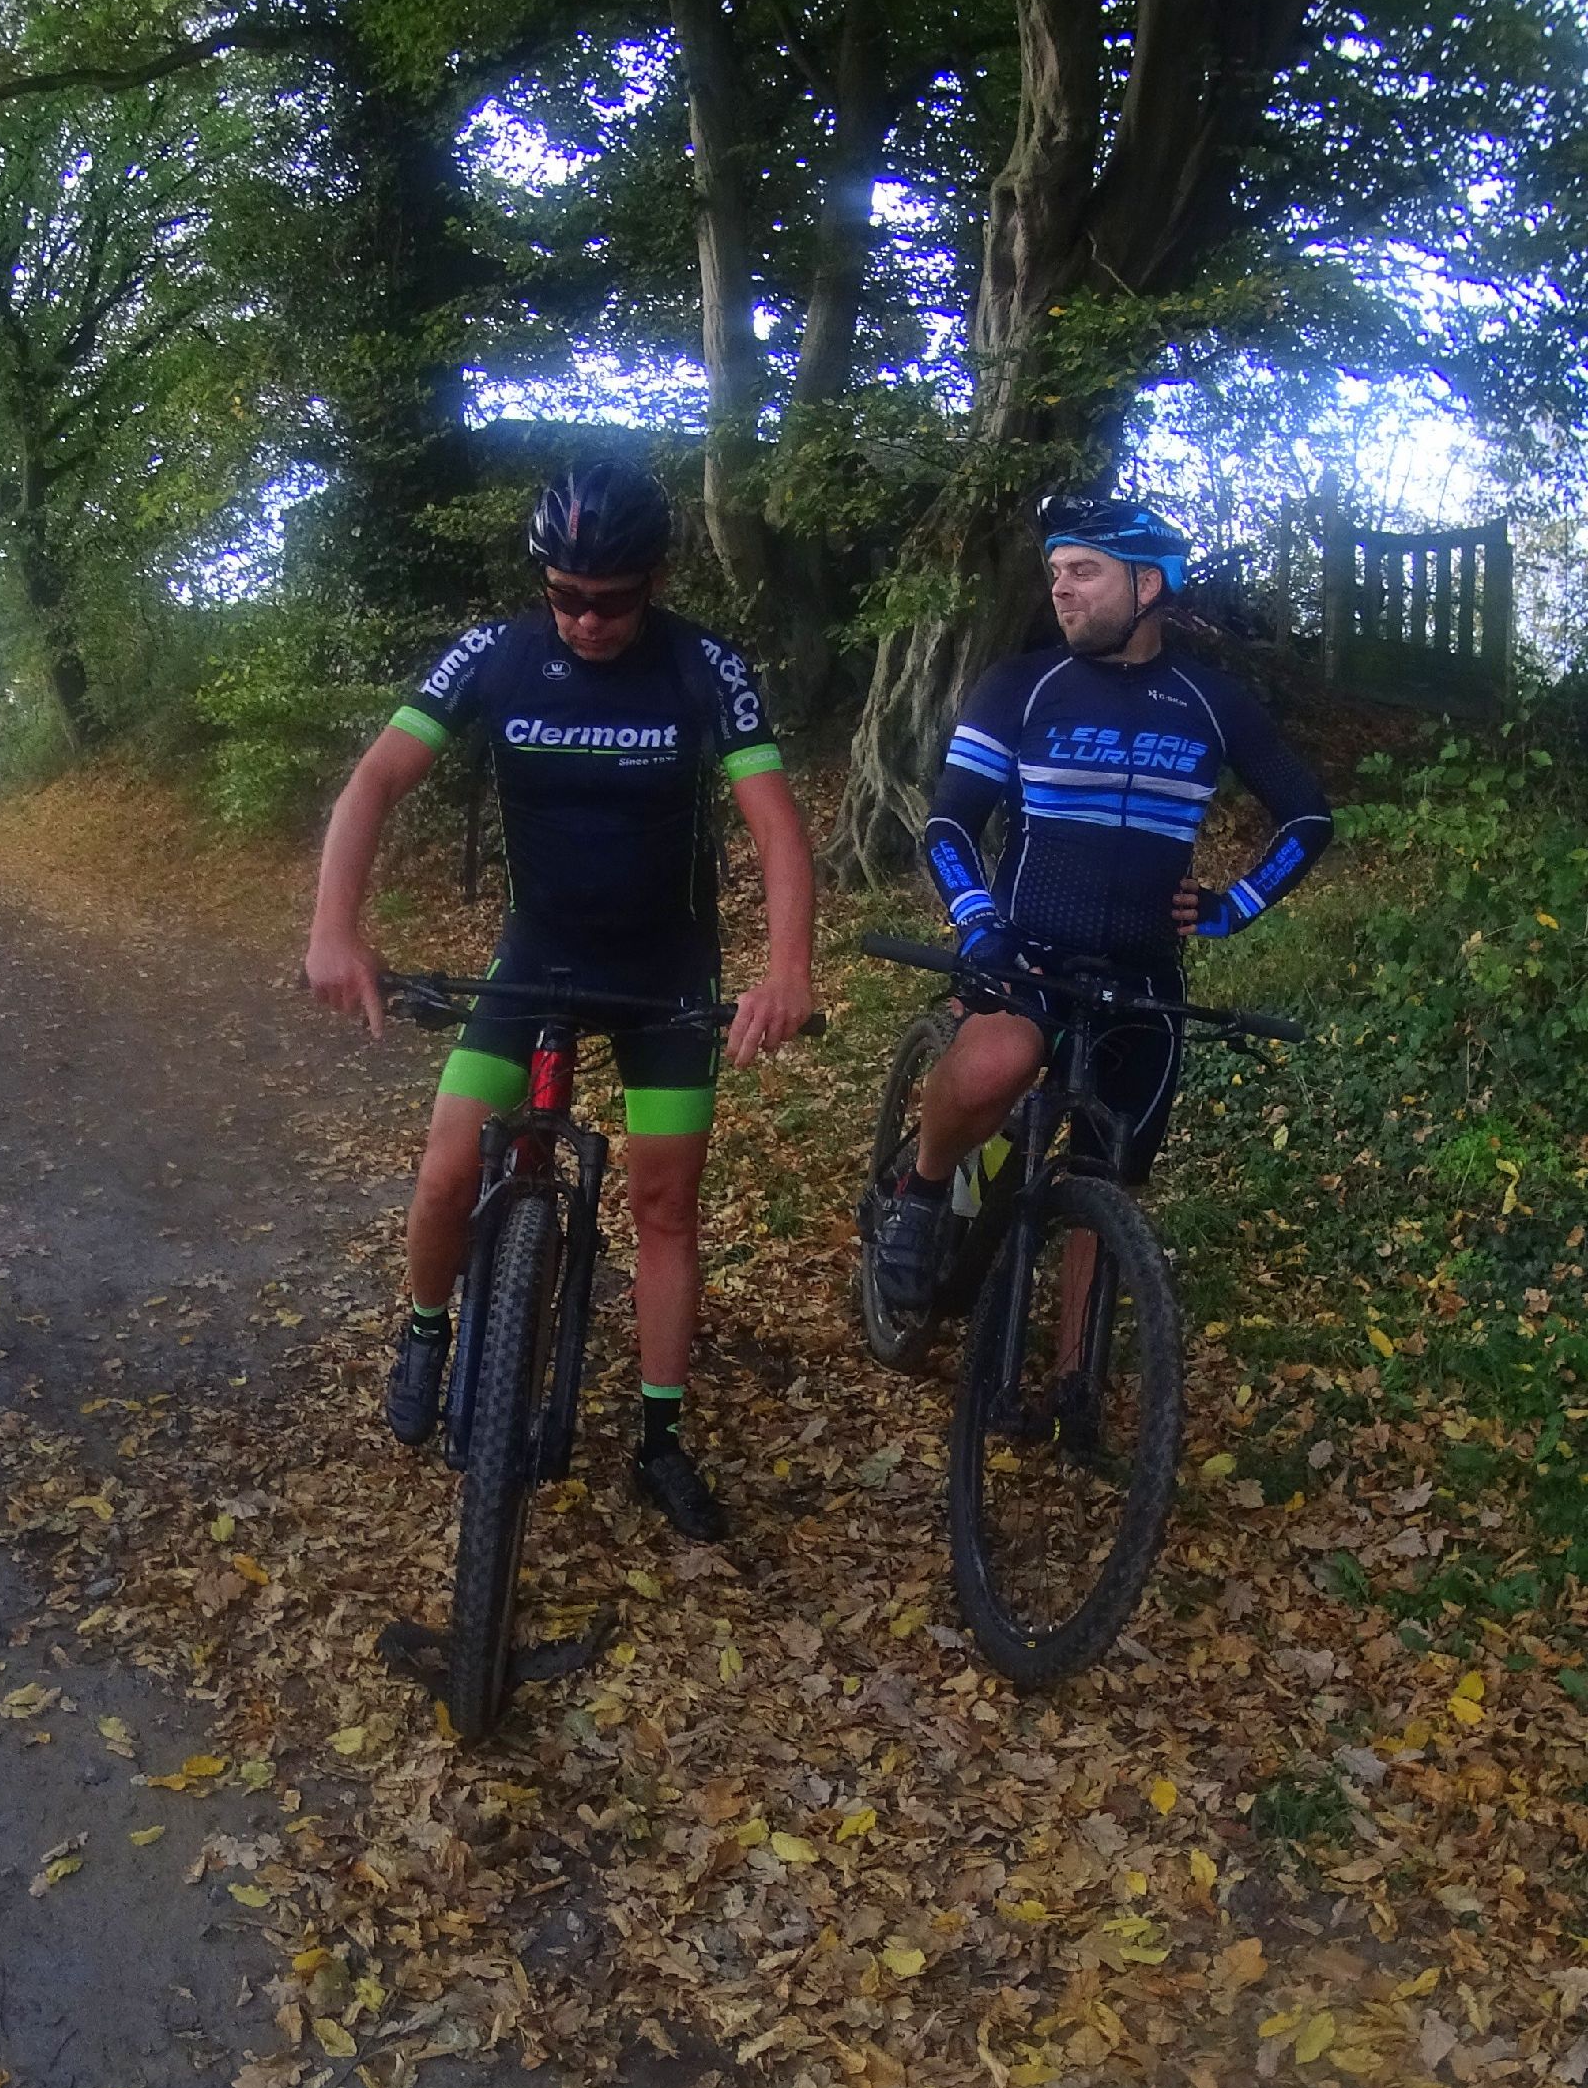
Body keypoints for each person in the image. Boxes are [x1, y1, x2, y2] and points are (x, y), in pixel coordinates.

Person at [306, 459, 815, 1540]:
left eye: (611, 600)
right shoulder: (495, 653)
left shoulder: (703, 664)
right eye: (565, 596)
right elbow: (374, 781)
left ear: (655, 580)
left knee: (663, 1204)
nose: (586, 619)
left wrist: (786, 969)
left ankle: (660, 1437)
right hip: (536, 953)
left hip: (663, 969)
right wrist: (333, 929)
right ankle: (427, 1329)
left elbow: (774, 823)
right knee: (448, 1168)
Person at [872, 495, 1332, 1330]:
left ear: (1148, 585)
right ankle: (923, 1190)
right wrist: (979, 923)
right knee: (995, 1064)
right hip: (1026, 954)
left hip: (1143, 977)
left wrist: (1233, 906)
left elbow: (1308, 818)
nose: (1061, 588)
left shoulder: (1212, 700)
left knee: (1106, 1176)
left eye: (1084, 570)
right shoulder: (1021, 685)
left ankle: (1071, 1382)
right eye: (1056, 572)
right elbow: (949, 824)